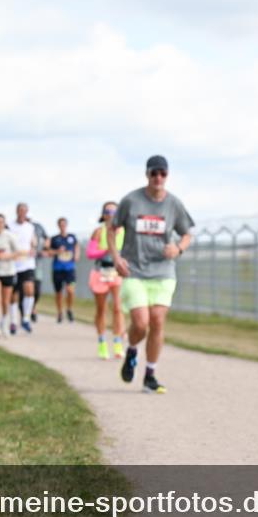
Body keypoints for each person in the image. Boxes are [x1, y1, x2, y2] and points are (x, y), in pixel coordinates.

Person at [108, 155, 195, 393]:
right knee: (141, 323)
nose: (158, 178)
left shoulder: (173, 204)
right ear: (147, 174)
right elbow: (112, 229)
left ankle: (150, 375)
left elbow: (187, 233)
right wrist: (116, 258)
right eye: (154, 173)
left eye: (162, 173)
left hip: (163, 271)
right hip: (134, 270)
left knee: (157, 320)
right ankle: (132, 351)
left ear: (167, 175)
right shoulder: (131, 201)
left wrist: (178, 248)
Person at [88, 202, 126, 359]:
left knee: (117, 308)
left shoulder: (124, 232)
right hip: (101, 273)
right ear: (103, 214)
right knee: (101, 309)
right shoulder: (98, 232)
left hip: (117, 273)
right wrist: (107, 250)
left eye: (114, 211)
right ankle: (102, 342)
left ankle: (118, 342)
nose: (111, 214)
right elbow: (90, 253)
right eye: (107, 211)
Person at [9, 203, 38, 334]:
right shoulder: (10, 226)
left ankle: (26, 319)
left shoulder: (30, 227)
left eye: (25, 211)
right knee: (13, 294)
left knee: (30, 290)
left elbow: (33, 242)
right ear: (17, 211)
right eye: (20, 210)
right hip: (13, 264)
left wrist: (33, 248)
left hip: (27, 263)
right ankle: (13, 321)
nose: (22, 213)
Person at [47, 217, 78, 323]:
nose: (62, 226)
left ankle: (69, 309)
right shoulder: (54, 238)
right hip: (58, 269)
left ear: (66, 225)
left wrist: (76, 255)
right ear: (58, 226)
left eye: (64, 224)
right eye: (61, 224)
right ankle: (59, 312)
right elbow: (49, 252)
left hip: (70, 269)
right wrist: (57, 251)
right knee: (59, 293)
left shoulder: (72, 237)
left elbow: (76, 246)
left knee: (70, 290)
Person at [26, 216, 48, 323]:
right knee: (24, 288)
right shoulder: (15, 227)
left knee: (37, 288)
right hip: (22, 263)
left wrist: (45, 248)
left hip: (37, 262)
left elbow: (47, 238)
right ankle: (26, 312)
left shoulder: (38, 227)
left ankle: (33, 307)